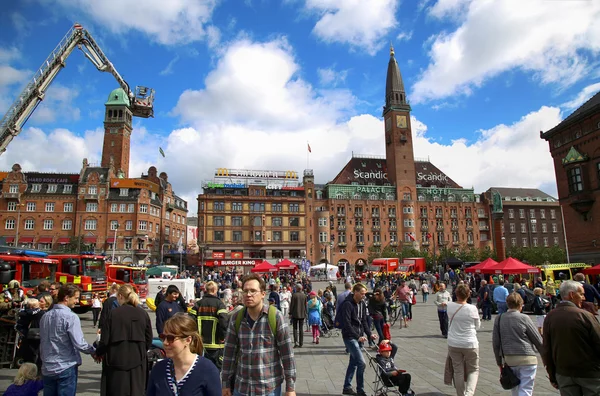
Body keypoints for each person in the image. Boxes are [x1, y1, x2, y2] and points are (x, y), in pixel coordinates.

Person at [221, 273, 296, 396]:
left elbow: (287, 354)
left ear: (263, 294)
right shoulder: (236, 318)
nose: (248, 294)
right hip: (242, 387)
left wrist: (290, 388)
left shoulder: (275, 317)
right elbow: (229, 353)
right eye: (245, 291)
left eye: (253, 291)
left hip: (268, 388)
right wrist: (225, 384)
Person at [542, 280, 600, 394]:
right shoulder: (585, 316)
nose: (583, 298)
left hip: (564, 374)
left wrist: (552, 374)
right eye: (581, 294)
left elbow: (547, 349)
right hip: (589, 374)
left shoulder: (550, 317)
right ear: (572, 295)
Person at [94, 284, 152, 396]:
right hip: (138, 361)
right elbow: (148, 339)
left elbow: (105, 341)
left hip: (115, 362)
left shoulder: (113, 314)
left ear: (120, 296)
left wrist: (98, 352)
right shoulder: (143, 314)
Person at [39, 283, 96, 396]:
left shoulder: (45, 316)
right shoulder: (71, 317)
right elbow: (79, 343)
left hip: (47, 366)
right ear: (66, 298)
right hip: (65, 365)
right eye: (75, 298)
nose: (77, 301)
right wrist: (93, 351)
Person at [147, 313, 222, 396]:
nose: (165, 342)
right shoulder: (159, 369)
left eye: (170, 338)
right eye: (163, 337)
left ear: (188, 340)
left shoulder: (207, 369)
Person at [492, 292, 543, 396]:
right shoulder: (524, 318)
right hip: (528, 358)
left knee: (514, 389)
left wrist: (499, 362)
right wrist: (546, 357)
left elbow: (496, 343)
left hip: (509, 359)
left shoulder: (499, 318)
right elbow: (538, 340)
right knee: (526, 389)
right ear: (521, 304)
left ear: (507, 304)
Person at [340, 283, 378, 396]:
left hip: (359, 336)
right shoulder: (347, 304)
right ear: (355, 292)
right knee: (361, 363)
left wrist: (370, 334)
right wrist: (357, 336)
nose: (363, 296)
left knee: (353, 363)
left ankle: (347, 387)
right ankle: (360, 390)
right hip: (350, 337)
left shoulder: (362, 304)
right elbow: (346, 323)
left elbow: (364, 321)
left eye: (364, 294)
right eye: (362, 293)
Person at [446, 284, 480, 396]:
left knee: (458, 370)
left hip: (453, 342)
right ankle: (469, 394)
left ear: (456, 294)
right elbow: (477, 326)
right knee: (473, 370)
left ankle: (460, 394)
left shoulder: (450, 306)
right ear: (469, 294)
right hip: (470, 342)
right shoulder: (472, 308)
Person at [189, 280, 229, 369]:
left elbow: (189, 321)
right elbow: (224, 322)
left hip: (200, 344)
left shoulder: (198, 304)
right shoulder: (219, 304)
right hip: (215, 345)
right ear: (215, 290)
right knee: (215, 370)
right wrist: (223, 337)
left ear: (206, 290)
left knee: (200, 370)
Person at [16, 295, 52, 370]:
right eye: (39, 300)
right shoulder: (36, 311)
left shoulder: (42, 312)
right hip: (33, 336)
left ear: (47, 303)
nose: (38, 302)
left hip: (39, 336)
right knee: (31, 355)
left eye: (41, 301)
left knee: (37, 356)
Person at [289, 283, 307, 348]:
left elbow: (292, 305)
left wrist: (290, 313)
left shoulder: (294, 295)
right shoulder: (304, 295)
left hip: (295, 314)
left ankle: (296, 342)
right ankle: (301, 343)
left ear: (297, 288)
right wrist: (306, 313)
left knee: (295, 328)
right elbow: (305, 305)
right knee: (301, 329)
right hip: (302, 314)